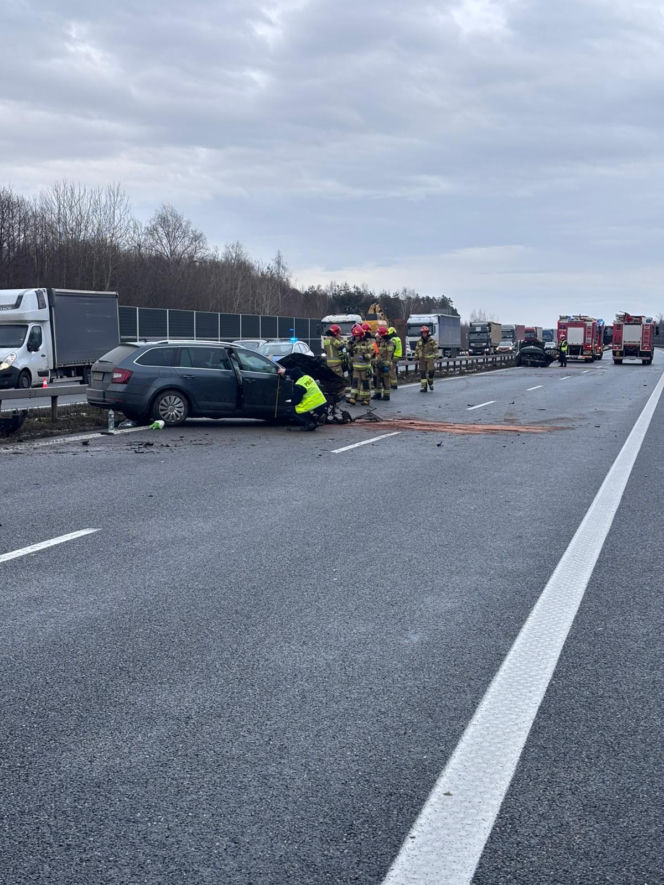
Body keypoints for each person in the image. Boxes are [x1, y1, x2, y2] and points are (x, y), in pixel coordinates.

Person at [285, 366, 327, 430]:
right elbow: (296, 371)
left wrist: (290, 400)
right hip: (322, 402)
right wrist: (285, 371)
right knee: (304, 407)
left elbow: (296, 401)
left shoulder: (299, 384)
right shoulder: (308, 377)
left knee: (290, 410)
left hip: (312, 405)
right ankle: (316, 418)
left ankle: (309, 423)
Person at [347, 323, 373, 405]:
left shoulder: (368, 343)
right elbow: (348, 349)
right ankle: (352, 398)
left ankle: (367, 399)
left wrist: (365, 356)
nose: (356, 337)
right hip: (356, 368)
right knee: (355, 383)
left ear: (361, 336)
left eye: (357, 336)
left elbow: (372, 353)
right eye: (355, 336)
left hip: (365, 368)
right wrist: (349, 342)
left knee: (365, 384)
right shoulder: (354, 342)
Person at [371, 327, 396, 400]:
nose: (377, 335)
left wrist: (386, 365)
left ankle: (386, 395)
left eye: (379, 334)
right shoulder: (377, 343)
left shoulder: (390, 343)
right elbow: (374, 353)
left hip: (385, 365)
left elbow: (389, 355)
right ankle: (378, 394)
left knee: (385, 380)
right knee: (377, 379)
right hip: (378, 364)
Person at [414, 325, 438, 392]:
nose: (424, 334)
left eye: (425, 333)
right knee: (422, 373)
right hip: (422, 359)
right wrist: (415, 357)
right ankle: (424, 387)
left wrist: (436, 356)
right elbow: (417, 350)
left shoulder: (432, 341)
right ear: (421, 333)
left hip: (430, 359)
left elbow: (436, 349)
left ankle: (430, 382)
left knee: (431, 372)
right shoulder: (419, 341)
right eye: (423, 333)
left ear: (427, 333)